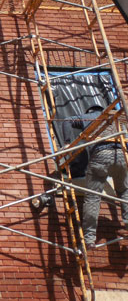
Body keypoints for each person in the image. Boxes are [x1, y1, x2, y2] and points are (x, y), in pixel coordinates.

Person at [67, 105, 128, 249]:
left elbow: (67, 120)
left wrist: (67, 143)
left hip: (100, 155)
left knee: (93, 197)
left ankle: (89, 239)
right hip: (121, 155)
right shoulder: (117, 117)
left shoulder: (89, 117)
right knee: (125, 191)